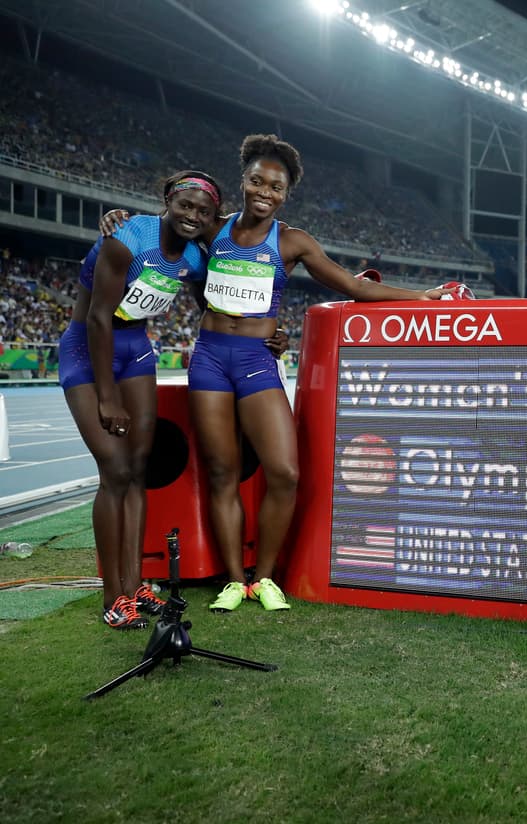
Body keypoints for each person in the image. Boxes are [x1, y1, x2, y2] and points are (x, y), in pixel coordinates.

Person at [103, 134, 460, 614]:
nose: (264, 192)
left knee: (284, 472)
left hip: (255, 362)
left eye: (276, 186)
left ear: (286, 193)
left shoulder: (293, 242)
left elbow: (353, 286)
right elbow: (168, 228)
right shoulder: (214, 230)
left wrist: (420, 297)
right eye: (256, 181)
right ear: (244, 182)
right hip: (209, 357)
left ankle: (265, 576)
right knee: (221, 472)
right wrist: (118, 220)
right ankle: (234, 582)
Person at [63, 170, 221, 629]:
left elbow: (213, 302)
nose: (192, 216)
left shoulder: (194, 255)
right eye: (185, 205)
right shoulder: (128, 237)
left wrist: (264, 334)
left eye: (203, 211)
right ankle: (113, 596)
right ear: (167, 201)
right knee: (114, 469)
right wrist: (108, 399)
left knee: (137, 470)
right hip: (89, 349)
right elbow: (96, 319)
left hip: (136, 351)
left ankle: (137, 587)